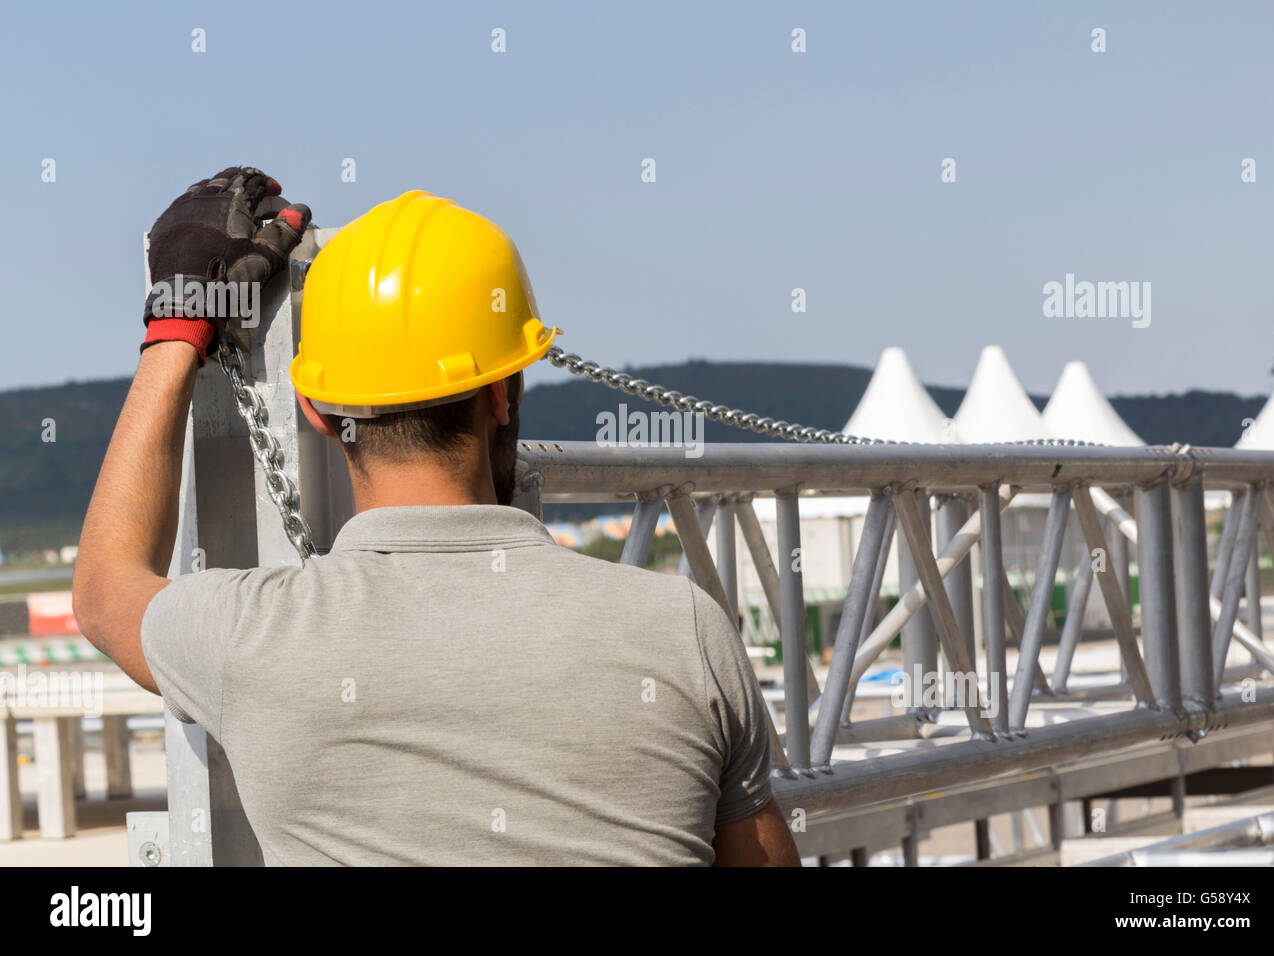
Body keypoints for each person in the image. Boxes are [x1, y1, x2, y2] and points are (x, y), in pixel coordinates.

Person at [73, 168, 801, 866]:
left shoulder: (252, 638)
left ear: (316, 411)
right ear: (502, 396)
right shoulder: (681, 631)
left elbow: (105, 592)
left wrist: (177, 328)